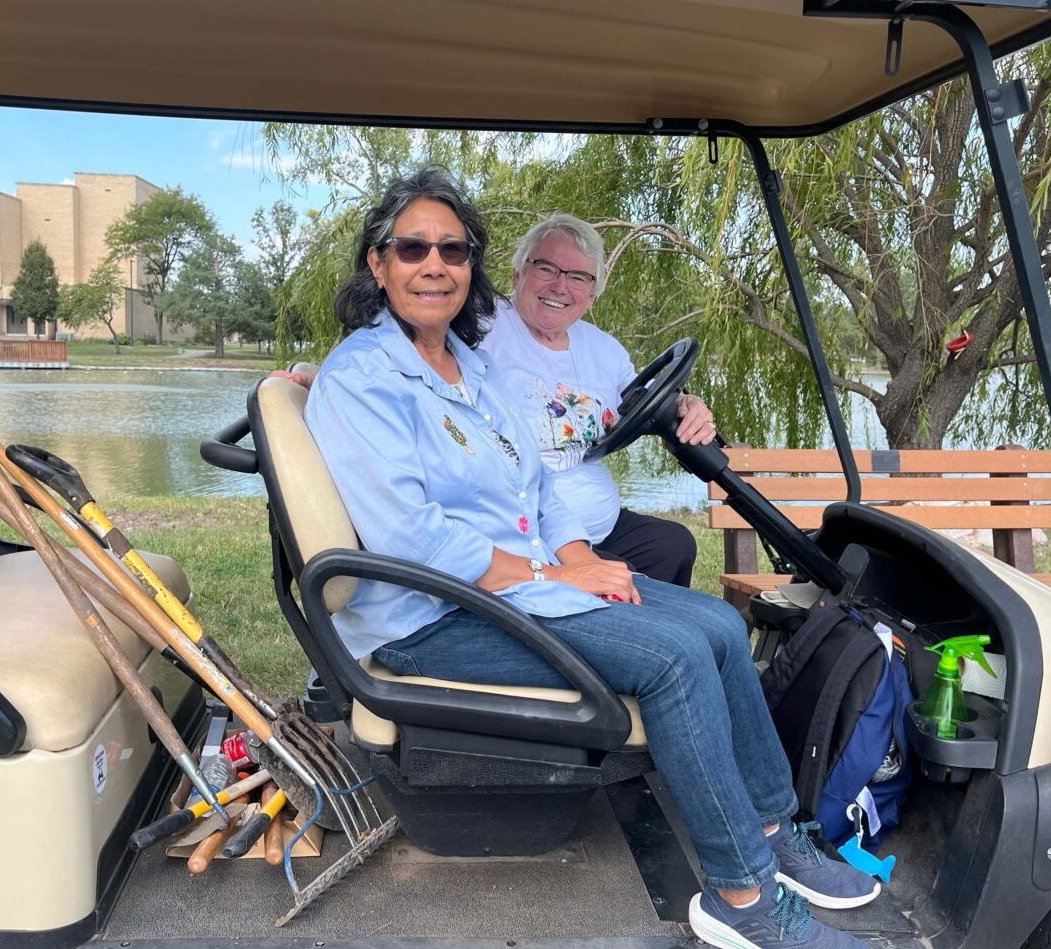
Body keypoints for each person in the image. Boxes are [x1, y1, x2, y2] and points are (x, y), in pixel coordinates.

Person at [302, 167, 878, 949]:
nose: (432, 264)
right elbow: (414, 538)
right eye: (412, 248)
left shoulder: (466, 364)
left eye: (451, 248)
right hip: (430, 613)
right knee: (672, 659)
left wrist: (575, 558)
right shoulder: (363, 378)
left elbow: (532, 486)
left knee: (711, 620)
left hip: (510, 587)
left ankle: (774, 829)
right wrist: (554, 575)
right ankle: (742, 895)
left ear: (470, 264)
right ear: (378, 263)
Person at [479, 213, 709, 587]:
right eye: (547, 268)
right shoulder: (483, 330)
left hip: (603, 521)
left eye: (578, 277)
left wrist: (686, 403)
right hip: (529, 533)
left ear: (593, 292)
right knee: (621, 577)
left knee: (673, 544)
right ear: (518, 274)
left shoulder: (604, 349)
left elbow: (645, 401)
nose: (560, 286)